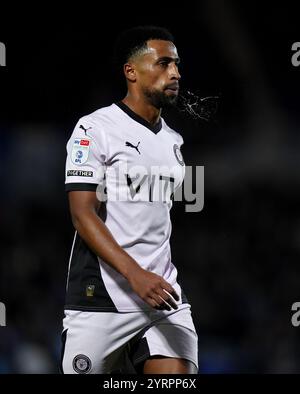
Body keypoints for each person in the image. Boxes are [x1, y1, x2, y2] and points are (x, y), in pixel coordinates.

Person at [61, 25, 198, 374]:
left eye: (177, 64)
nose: (175, 73)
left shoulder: (174, 140)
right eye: (164, 63)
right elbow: (82, 215)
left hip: (163, 297)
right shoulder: (94, 129)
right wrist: (135, 274)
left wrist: (149, 274)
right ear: (131, 71)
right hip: (101, 297)